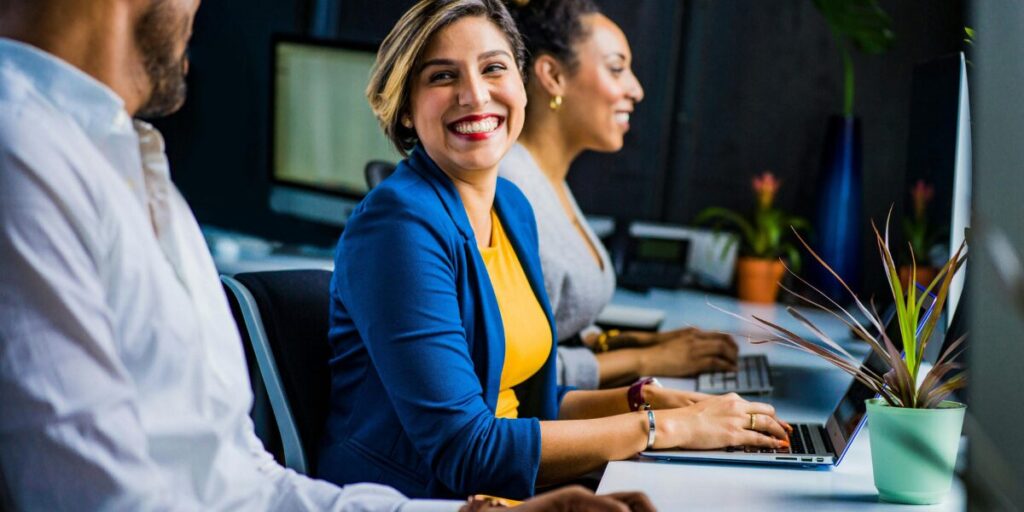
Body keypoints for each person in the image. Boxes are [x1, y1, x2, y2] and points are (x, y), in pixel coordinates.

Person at [0, 0, 653, 510]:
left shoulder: (132, 161)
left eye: (492, 68)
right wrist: (650, 426)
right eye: (443, 76)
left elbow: (244, 479)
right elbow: (95, 498)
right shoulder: (24, 157)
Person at [320, 0, 791, 501]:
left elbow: (529, 407)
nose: (475, 95)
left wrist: (644, 400)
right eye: (442, 77)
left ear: (522, 86)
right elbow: (466, 448)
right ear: (407, 108)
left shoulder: (511, 207)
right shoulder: (399, 226)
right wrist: (666, 428)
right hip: (419, 500)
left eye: (494, 68)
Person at [499, 0, 740, 390]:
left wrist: (642, 341)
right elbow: (511, 370)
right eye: (616, 69)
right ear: (552, 75)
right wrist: (647, 359)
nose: (637, 89)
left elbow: (559, 328)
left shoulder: (548, 179)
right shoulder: (509, 189)